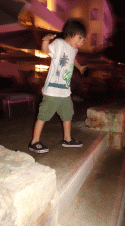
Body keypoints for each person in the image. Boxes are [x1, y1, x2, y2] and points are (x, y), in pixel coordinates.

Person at [28, 19, 87, 153]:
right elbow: (45, 50)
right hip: (53, 90)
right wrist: (45, 40)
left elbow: (73, 59)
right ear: (71, 33)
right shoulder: (59, 43)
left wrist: (79, 67)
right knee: (43, 115)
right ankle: (34, 142)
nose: (82, 41)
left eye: (83, 40)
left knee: (67, 114)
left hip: (65, 91)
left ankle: (67, 139)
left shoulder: (73, 50)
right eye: (80, 37)